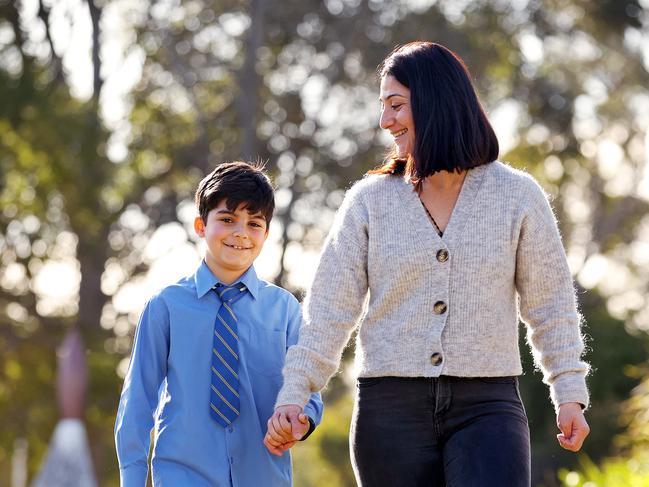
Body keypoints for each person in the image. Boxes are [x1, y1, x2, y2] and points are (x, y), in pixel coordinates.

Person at [264, 42, 590, 486]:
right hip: (390, 409)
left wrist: (569, 392)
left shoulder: (517, 196)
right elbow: (328, 311)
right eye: (383, 107)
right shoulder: (369, 201)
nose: (385, 121)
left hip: (488, 405)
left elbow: (550, 305)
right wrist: (295, 393)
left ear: (437, 102)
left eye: (396, 105)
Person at [115, 161, 323, 487]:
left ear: (267, 233)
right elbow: (137, 404)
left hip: (264, 476)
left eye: (254, 223)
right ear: (201, 225)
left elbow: (308, 391)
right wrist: (133, 480)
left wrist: (300, 421)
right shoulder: (165, 307)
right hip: (182, 476)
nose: (240, 232)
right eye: (227, 219)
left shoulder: (285, 311)